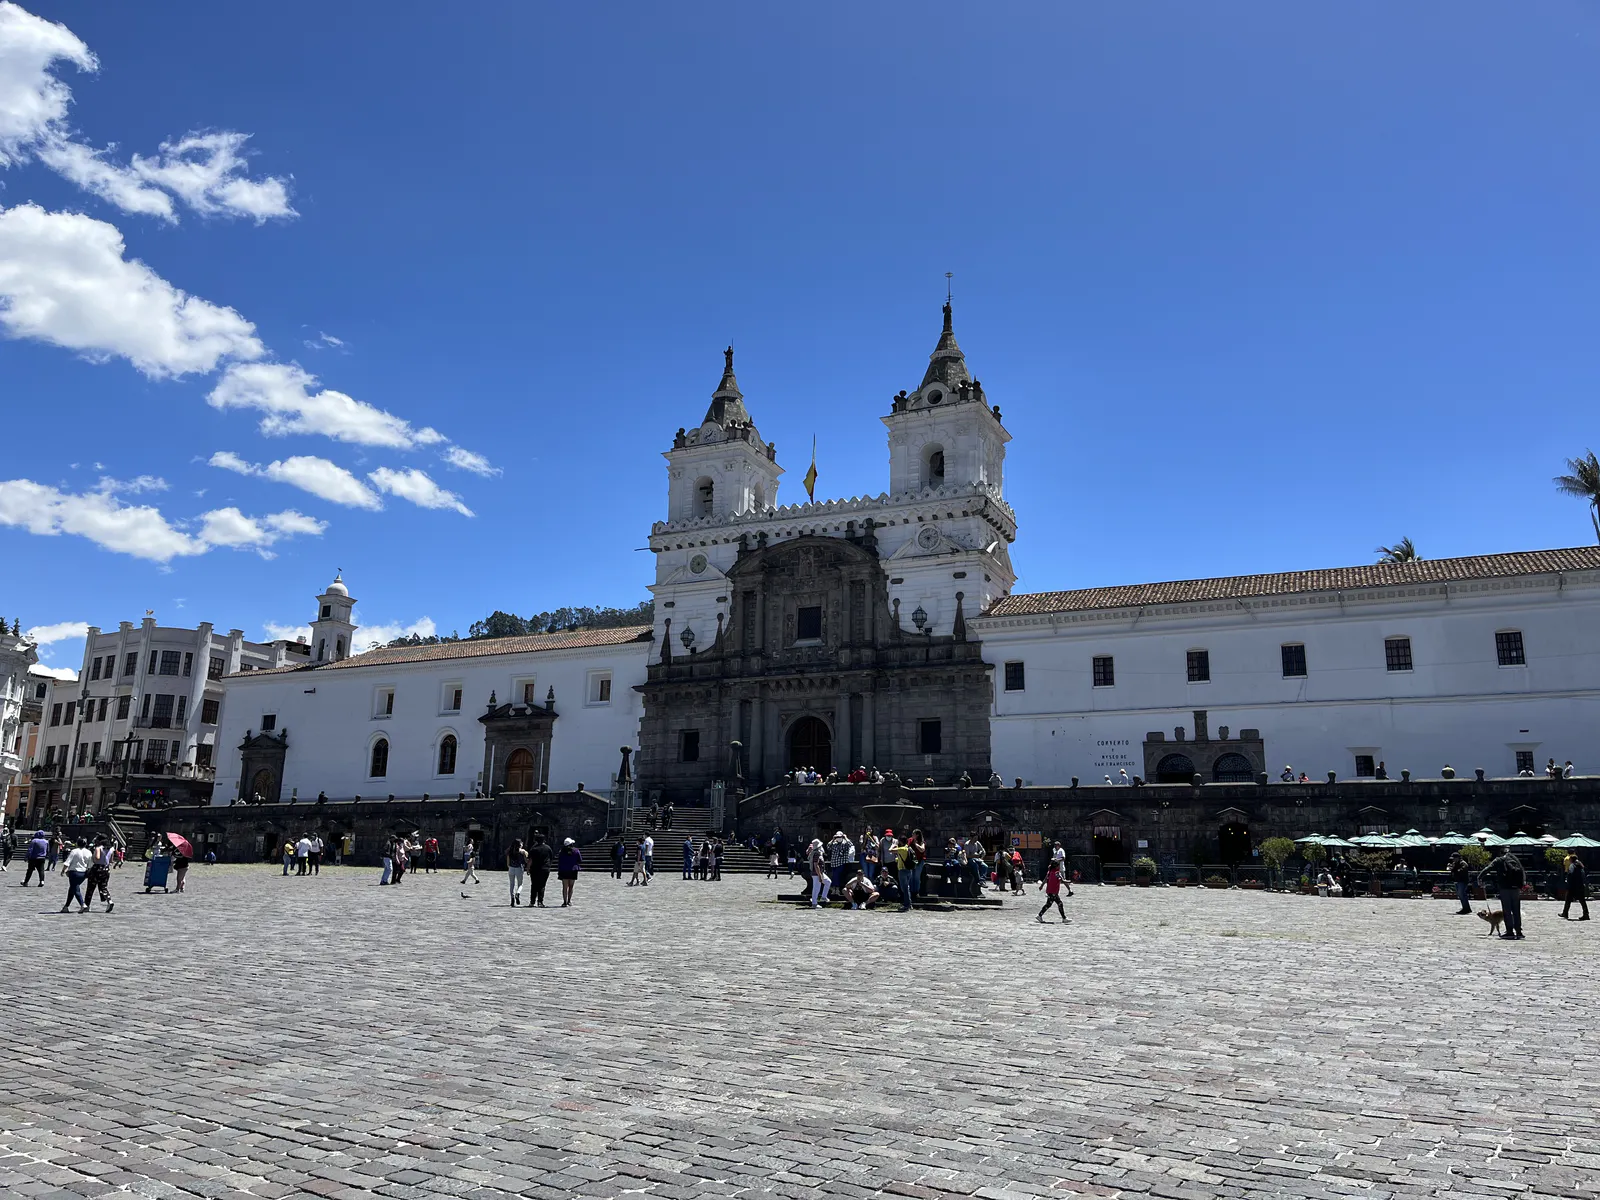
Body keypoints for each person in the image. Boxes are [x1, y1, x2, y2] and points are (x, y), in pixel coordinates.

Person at [1478, 848, 1525, 940]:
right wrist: (1521, 884)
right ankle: (1519, 931)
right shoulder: (1515, 859)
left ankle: (1510, 931)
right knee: (1516, 910)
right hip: (1516, 888)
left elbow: (1488, 868)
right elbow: (1522, 871)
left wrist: (1480, 877)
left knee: (1507, 911)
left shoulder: (1499, 860)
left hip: (1505, 888)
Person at [61, 840, 93, 913]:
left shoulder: (74, 851)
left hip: (74, 872)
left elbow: (67, 862)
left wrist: (63, 870)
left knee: (75, 889)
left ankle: (82, 904)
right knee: (73, 888)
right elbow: (90, 864)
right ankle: (66, 906)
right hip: (83, 873)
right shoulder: (88, 852)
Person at [85, 839, 114, 912]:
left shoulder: (98, 848)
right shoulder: (111, 849)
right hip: (106, 869)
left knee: (90, 888)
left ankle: (87, 905)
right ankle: (109, 900)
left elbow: (97, 857)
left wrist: (93, 858)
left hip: (97, 868)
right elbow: (111, 860)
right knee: (103, 887)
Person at [1562, 853, 1589, 921]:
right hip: (1580, 885)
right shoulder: (1580, 866)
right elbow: (1583, 876)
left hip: (1573, 886)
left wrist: (1568, 881)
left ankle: (1565, 913)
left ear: (1571, 859)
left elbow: (1571, 873)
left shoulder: (1572, 865)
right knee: (1582, 901)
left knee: (1568, 900)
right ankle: (1586, 914)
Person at [527, 835, 552, 907]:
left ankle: (532, 902)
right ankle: (540, 902)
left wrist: (528, 868)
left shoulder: (534, 849)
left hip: (534, 869)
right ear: (544, 840)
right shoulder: (548, 848)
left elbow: (530, 860)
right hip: (545, 869)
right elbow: (551, 858)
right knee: (542, 885)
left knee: (534, 885)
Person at [557, 838, 582, 906]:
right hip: (573, 870)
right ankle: (569, 901)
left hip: (564, 870)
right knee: (571, 886)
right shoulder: (576, 851)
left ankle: (564, 902)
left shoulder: (561, 851)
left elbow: (559, 861)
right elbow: (580, 860)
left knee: (565, 887)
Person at [1447, 850, 1473, 914]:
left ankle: (1466, 908)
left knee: (1462, 894)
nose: (1453, 860)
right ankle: (1465, 908)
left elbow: (1463, 869)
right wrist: (1451, 868)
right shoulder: (1454, 863)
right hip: (1457, 880)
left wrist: (1456, 870)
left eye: (1454, 858)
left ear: (1458, 858)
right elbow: (1451, 869)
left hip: (1463, 881)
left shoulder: (1463, 863)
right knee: (1460, 895)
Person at [807, 837, 829, 908]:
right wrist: (819, 876)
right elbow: (816, 865)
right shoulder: (816, 854)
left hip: (820, 872)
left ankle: (823, 897)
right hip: (816, 873)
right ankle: (814, 903)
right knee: (816, 888)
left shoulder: (818, 853)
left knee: (828, 882)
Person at [505, 839, 527, 906]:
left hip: (511, 868)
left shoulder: (509, 851)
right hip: (519, 868)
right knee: (520, 884)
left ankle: (512, 899)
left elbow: (508, 863)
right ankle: (518, 893)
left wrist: (509, 867)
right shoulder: (522, 851)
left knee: (512, 884)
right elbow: (526, 860)